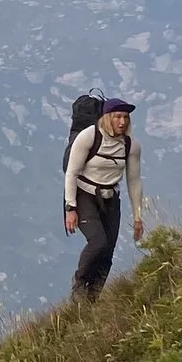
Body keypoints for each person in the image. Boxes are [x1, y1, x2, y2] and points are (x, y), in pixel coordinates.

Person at [63, 97, 144, 299]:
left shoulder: (130, 146)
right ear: (107, 117)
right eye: (117, 116)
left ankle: (94, 297)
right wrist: (70, 208)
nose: (122, 122)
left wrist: (137, 217)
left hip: (110, 199)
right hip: (84, 196)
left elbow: (134, 181)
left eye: (125, 117)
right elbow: (71, 173)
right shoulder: (89, 137)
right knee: (98, 242)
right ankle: (80, 285)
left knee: (108, 251)